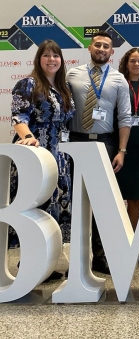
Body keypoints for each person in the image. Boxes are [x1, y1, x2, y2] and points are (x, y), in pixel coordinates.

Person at [66, 31, 131, 274]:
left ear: (112, 52)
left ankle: (101, 256)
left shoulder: (118, 79)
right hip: (75, 141)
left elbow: (125, 117)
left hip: (106, 143)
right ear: (90, 47)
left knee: (102, 203)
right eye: (98, 45)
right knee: (75, 200)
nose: (102, 49)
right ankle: (76, 256)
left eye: (106, 46)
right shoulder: (72, 74)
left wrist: (122, 150)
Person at [10, 39, 75, 281]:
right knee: (33, 210)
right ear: (38, 59)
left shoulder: (63, 87)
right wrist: (27, 137)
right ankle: (28, 263)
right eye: (46, 56)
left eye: (55, 56)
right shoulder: (28, 84)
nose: (51, 60)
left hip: (58, 157)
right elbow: (19, 115)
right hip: (36, 155)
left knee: (52, 212)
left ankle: (44, 264)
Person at [116, 48, 139, 262]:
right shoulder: (118, 83)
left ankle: (133, 246)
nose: (137, 64)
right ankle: (117, 244)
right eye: (133, 60)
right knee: (117, 198)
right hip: (119, 147)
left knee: (137, 198)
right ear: (126, 63)